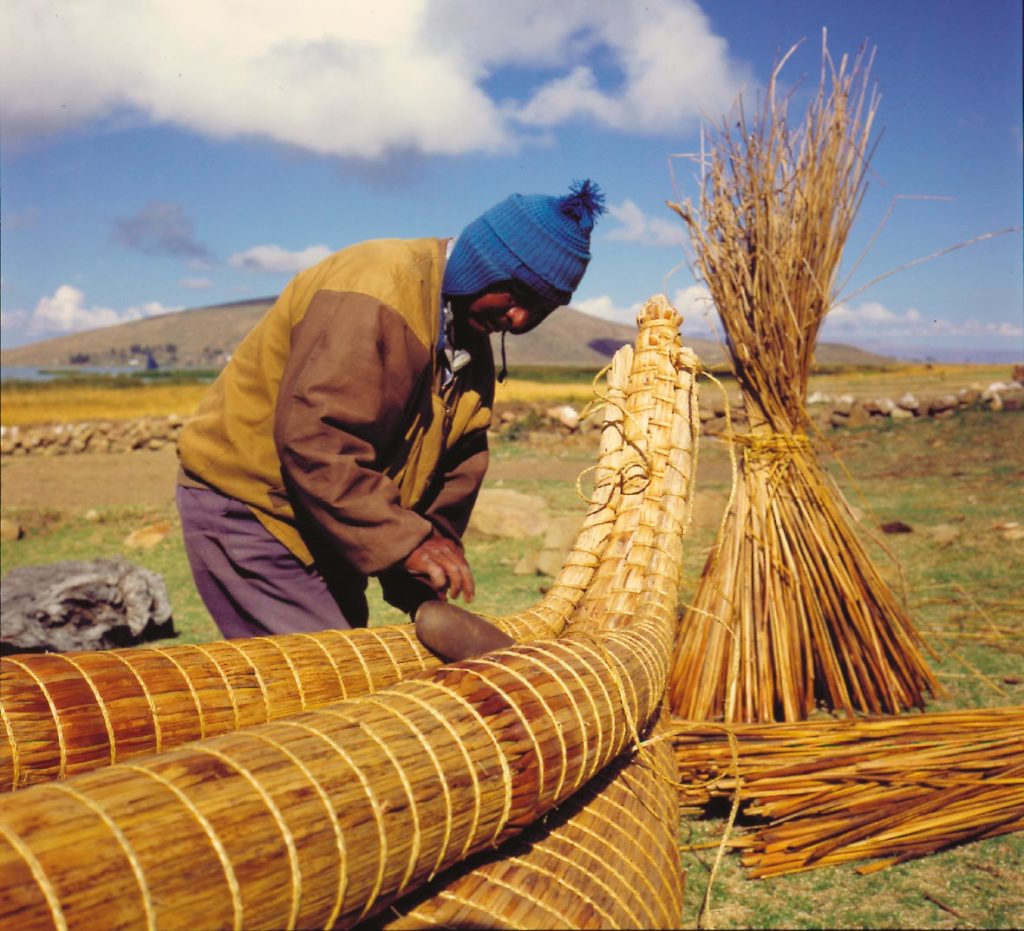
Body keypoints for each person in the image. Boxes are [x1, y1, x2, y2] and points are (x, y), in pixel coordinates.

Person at [175, 180, 606, 639]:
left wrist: (426, 558)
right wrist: (406, 543)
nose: (520, 320)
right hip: (253, 506)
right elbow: (316, 438)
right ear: (485, 263)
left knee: (338, 656)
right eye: (518, 296)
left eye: (544, 307)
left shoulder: (468, 339)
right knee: (322, 676)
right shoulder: (376, 290)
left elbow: (456, 463)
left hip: (324, 516)